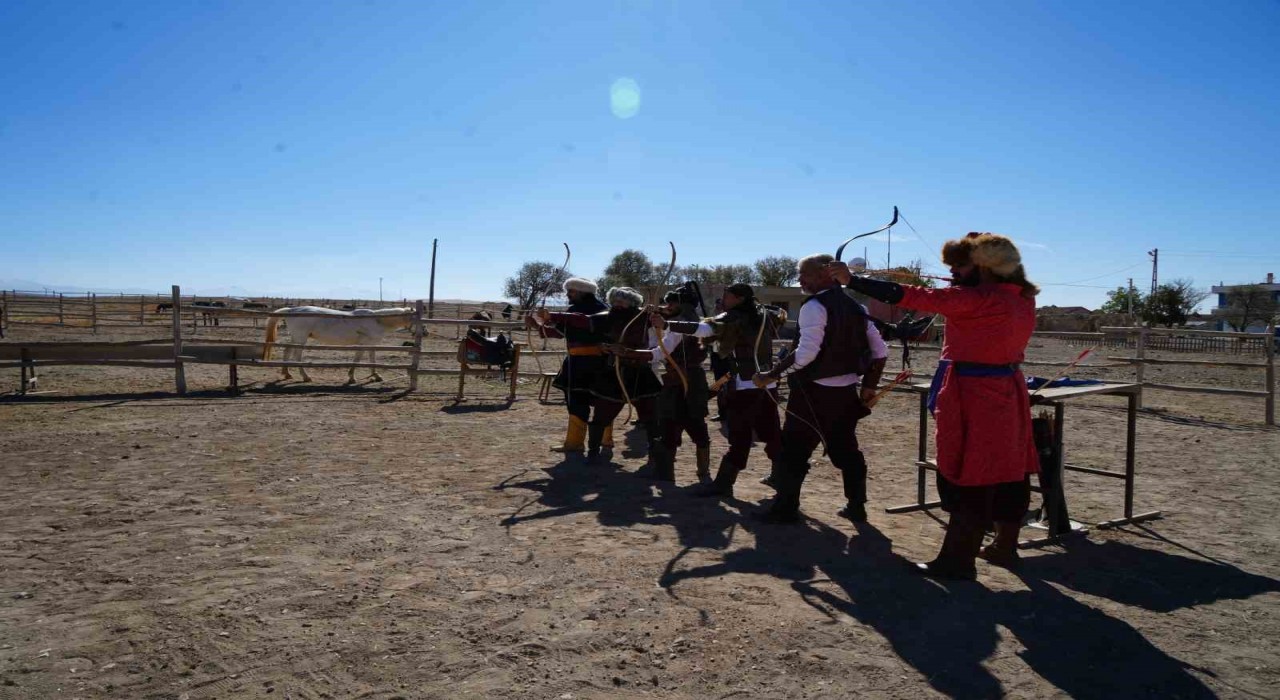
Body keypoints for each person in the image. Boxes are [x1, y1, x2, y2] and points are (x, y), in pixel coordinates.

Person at [832, 232, 1040, 580]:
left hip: (976, 395)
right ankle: (1005, 546)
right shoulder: (1020, 298)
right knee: (1009, 469)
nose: (954, 272)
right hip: (1007, 390)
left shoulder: (979, 300)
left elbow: (913, 295)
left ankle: (958, 561)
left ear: (986, 268)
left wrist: (851, 280)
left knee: (970, 474)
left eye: (961, 265)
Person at [751, 255, 887, 524]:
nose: (801, 280)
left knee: (794, 450)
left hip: (812, 394)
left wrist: (771, 375)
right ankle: (857, 506)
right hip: (845, 393)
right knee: (846, 449)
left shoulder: (815, 305)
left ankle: (785, 509)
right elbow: (880, 351)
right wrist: (869, 387)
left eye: (806, 275)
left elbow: (806, 354)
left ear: (826, 275)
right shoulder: (854, 306)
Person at [653, 283, 787, 498]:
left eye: (728, 295)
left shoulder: (734, 317)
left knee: (740, 435)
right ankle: (782, 478)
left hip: (746, 384)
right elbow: (778, 316)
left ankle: (723, 484)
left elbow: (704, 329)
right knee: (771, 433)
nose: (724, 298)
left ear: (739, 298)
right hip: (767, 382)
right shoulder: (761, 314)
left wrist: (667, 323)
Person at [536, 287, 670, 475]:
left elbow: (670, 317)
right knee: (601, 417)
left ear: (632, 303)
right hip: (613, 372)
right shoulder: (607, 316)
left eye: (621, 301)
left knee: (650, 418)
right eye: (614, 301)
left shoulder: (644, 317)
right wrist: (553, 316)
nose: (616, 305)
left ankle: (655, 455)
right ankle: (593, 453)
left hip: (640, 373)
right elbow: (583, 320)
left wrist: (659, 312)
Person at [537, 278, 611, 455]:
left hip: (594, 364)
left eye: (570, 291)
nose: (567, 294)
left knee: (597, 402)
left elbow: (583, 321)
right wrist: (538, 327)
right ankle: (578, 442)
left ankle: (601, 441)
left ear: (580, 291)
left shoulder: (602, 310)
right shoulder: (576, 309)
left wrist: (553, 316)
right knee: (584, 402)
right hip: (579, 363)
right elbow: (563, 331)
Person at [649, 286, 714, 483]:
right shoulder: (681, 321)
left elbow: (666, 345)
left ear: (682, 305)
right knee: (669, 423)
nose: (668, 306)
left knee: (694, 423)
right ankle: (667, 471)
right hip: (677, 379)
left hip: (689, 380)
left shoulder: (689, 324)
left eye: (672, 303)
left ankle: (700, 473)